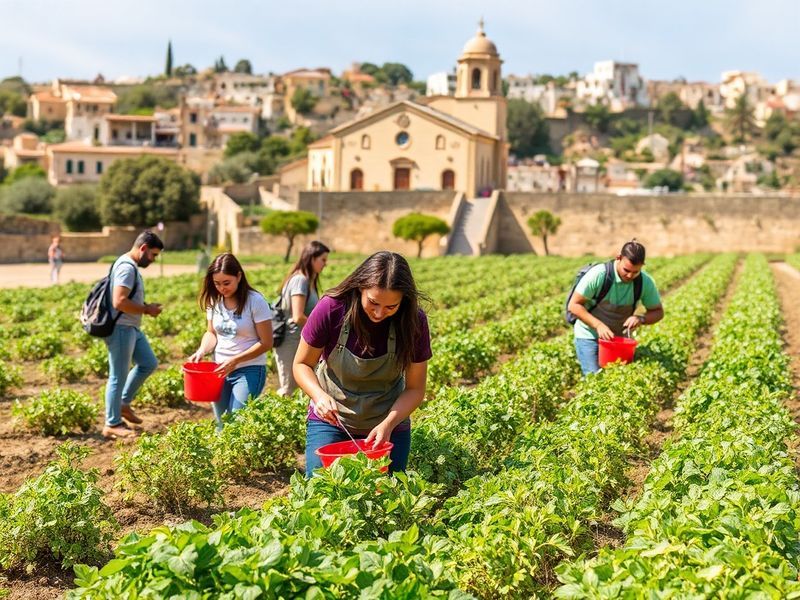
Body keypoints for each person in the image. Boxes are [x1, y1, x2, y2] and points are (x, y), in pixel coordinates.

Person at [294, 251, 432, 477]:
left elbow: (415, 388)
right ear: (360, 287)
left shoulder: (413, 321)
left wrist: (388, 424)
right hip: (332, 421)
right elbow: (301, 364)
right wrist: (319, 396)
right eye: (373, 302)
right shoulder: (332, 309)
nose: (379, 313)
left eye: (391, 307)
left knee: (387, 495)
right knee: (321, 490)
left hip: (388, 421)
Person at [189, 253, 273, 427]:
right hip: (219, 371)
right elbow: (211, 333)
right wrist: (202, 351)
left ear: (239, 276)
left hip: (249, 369)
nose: (222, 288)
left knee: (235, 422)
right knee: (221, 423)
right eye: (217, 283)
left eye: (226, 283)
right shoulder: (215, 300)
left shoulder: (255, 301)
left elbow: (266, 342)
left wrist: (235, 360)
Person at [567, 239, 664, 376]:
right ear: (618, 258)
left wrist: (640, 318)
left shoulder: (644, 282)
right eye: (626, 270)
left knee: (617, 380)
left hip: (618, 341)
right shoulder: (599, 275)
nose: (630, 275)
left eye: (635, 272)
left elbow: (658, 312)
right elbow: (574, 305)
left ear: (642, 265)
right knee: (594, 378)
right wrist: (598, 325)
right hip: (589, 335)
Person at [102, 231, 164, 439]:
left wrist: (145, 307)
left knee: (148, 363)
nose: (153, 260)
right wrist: (147, 310)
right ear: (143, 249)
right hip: (121, 328)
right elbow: (119, 301)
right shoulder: (127, 267)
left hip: (131, 328)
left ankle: (123, 403)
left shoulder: (128, 265)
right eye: (153, 255)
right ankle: (112, 423)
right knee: (117, 376)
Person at [274, 241, 330, 396]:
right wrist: (322, 331)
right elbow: (298, 316)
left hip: (301, 341)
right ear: (312, 258)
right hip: (291, 341)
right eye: (323, 260)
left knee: (303, 387)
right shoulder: (300, 280)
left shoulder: (309, 281)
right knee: (289, 388)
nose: (325, 264)